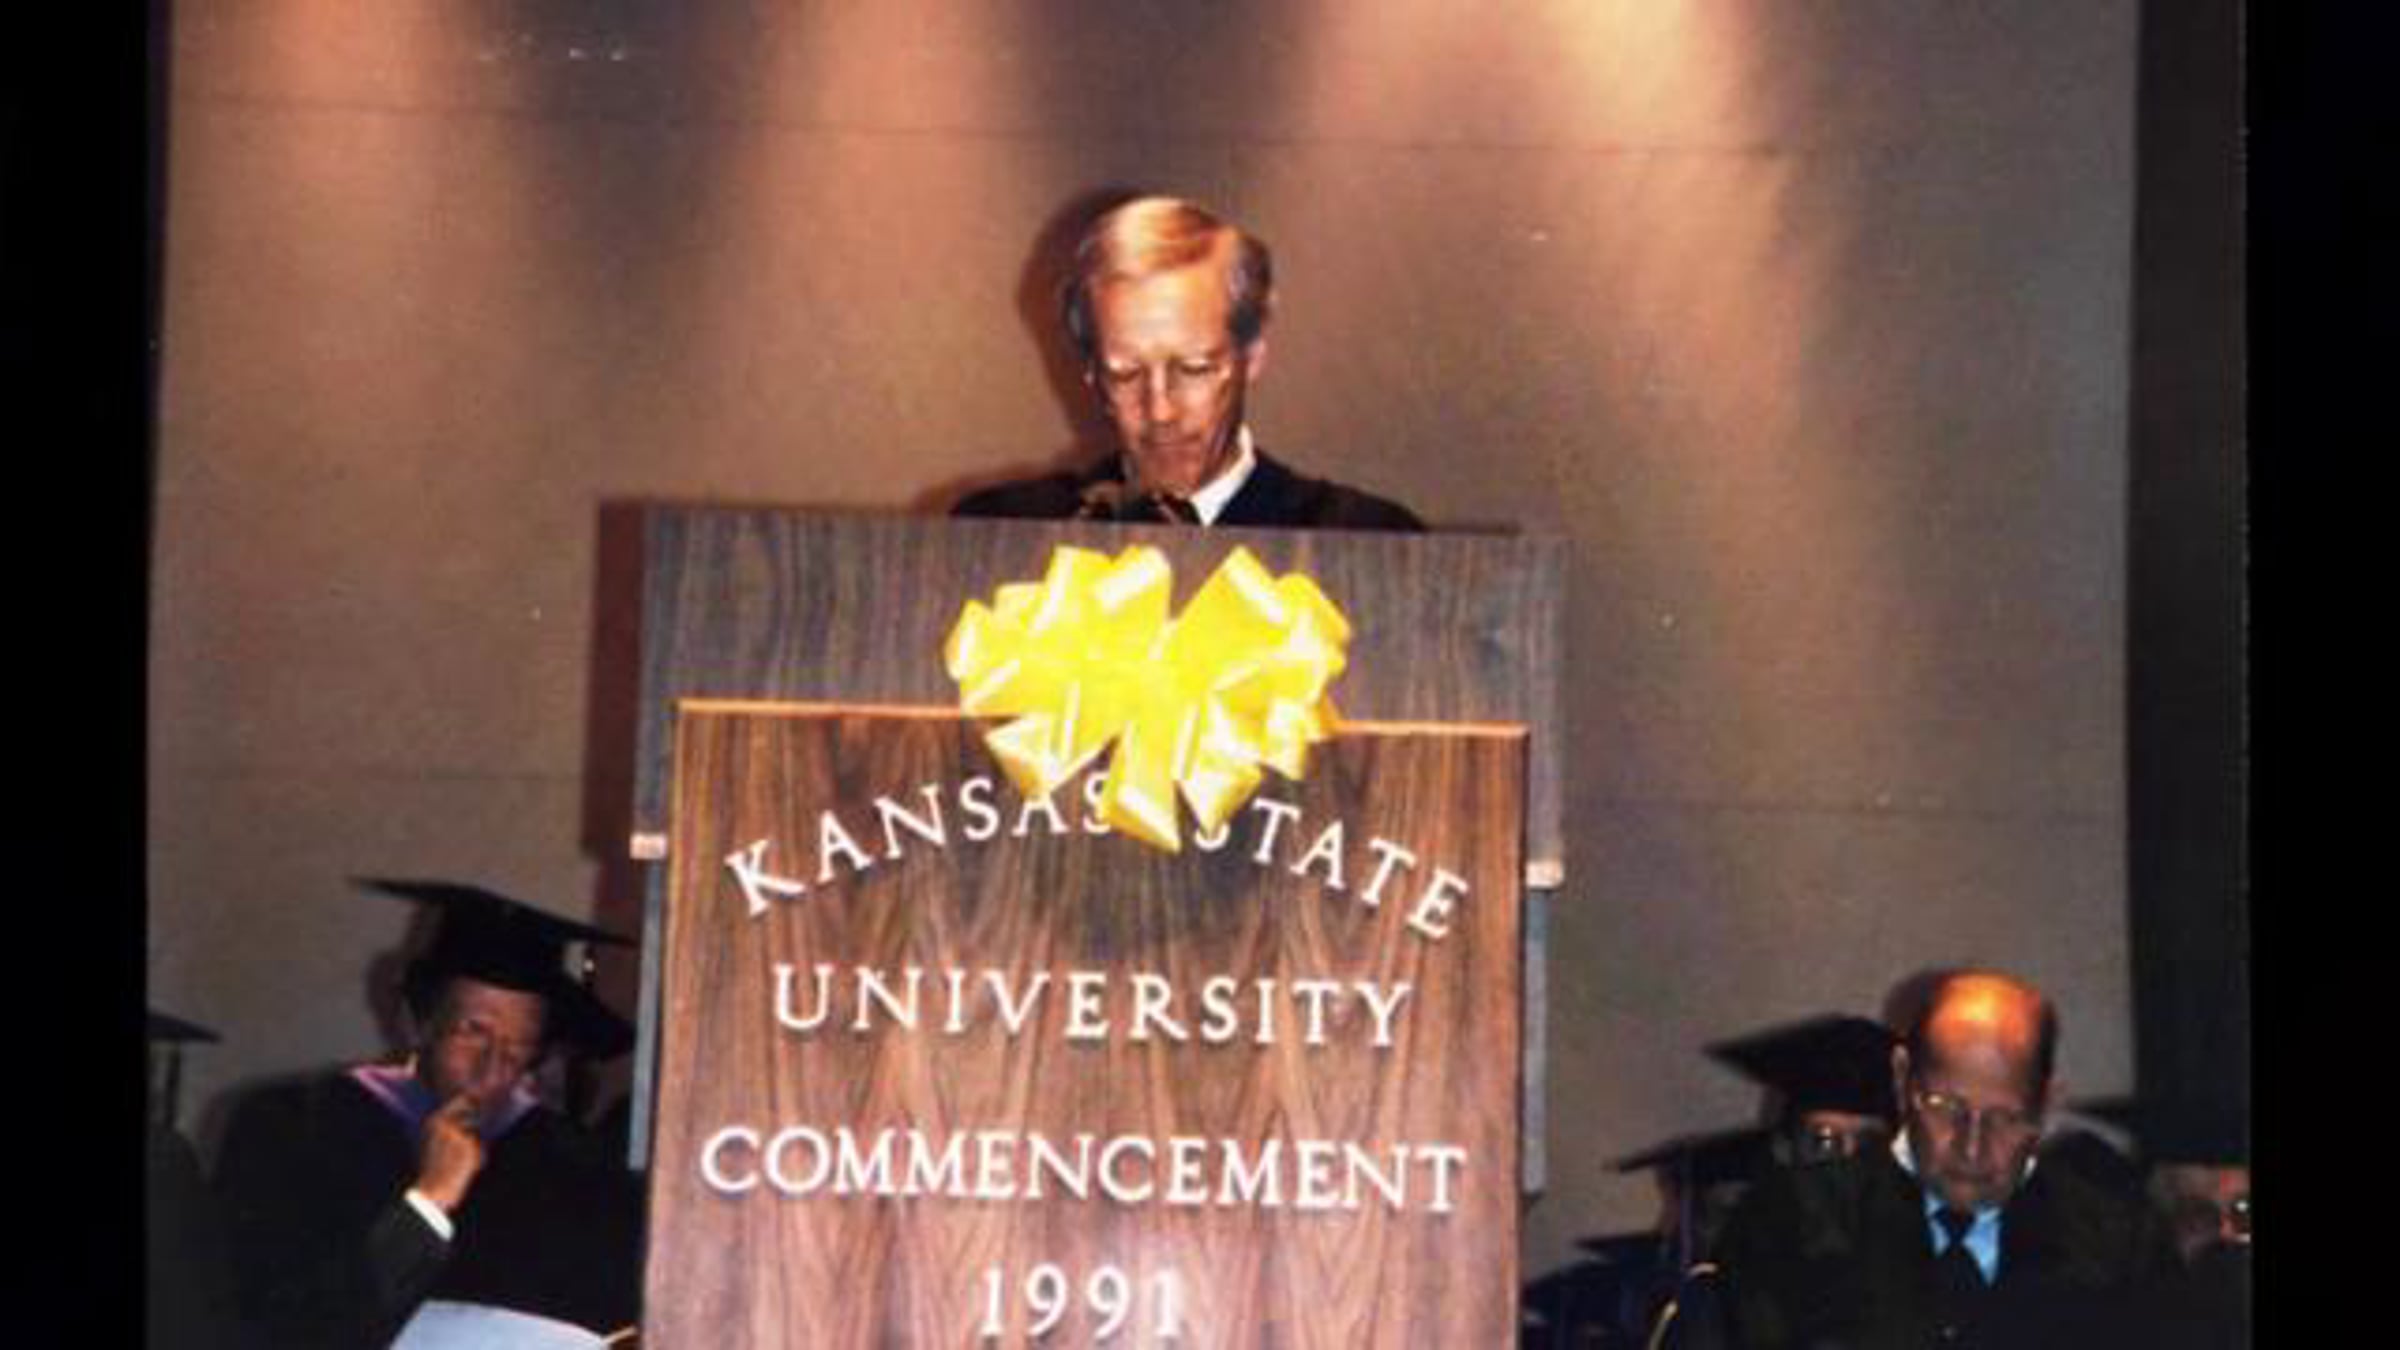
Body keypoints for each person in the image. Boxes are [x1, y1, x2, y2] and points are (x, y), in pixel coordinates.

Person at [212, 880, 645, 1348]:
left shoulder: (574, 1167)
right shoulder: (295, 1129)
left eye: (518, 1048)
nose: (492, 1069)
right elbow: (283, 1327)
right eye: (473, 1032)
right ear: (416, 1022)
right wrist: (429, 1201)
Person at [1710, 970, 2187, 1348]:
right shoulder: (1794, 1223)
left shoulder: (2120, 1248)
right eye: (1946, 1108)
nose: (1972, 1147)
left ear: (2045, 1106)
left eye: (2004, 1117)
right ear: (1902, 1080)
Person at [953, 194, 1425, 529]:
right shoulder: (1005, 532)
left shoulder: (1364, 538)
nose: (1160, 410)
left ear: (1253, 355)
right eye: (1126, 374)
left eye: (1193, 369)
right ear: (1091, 374)